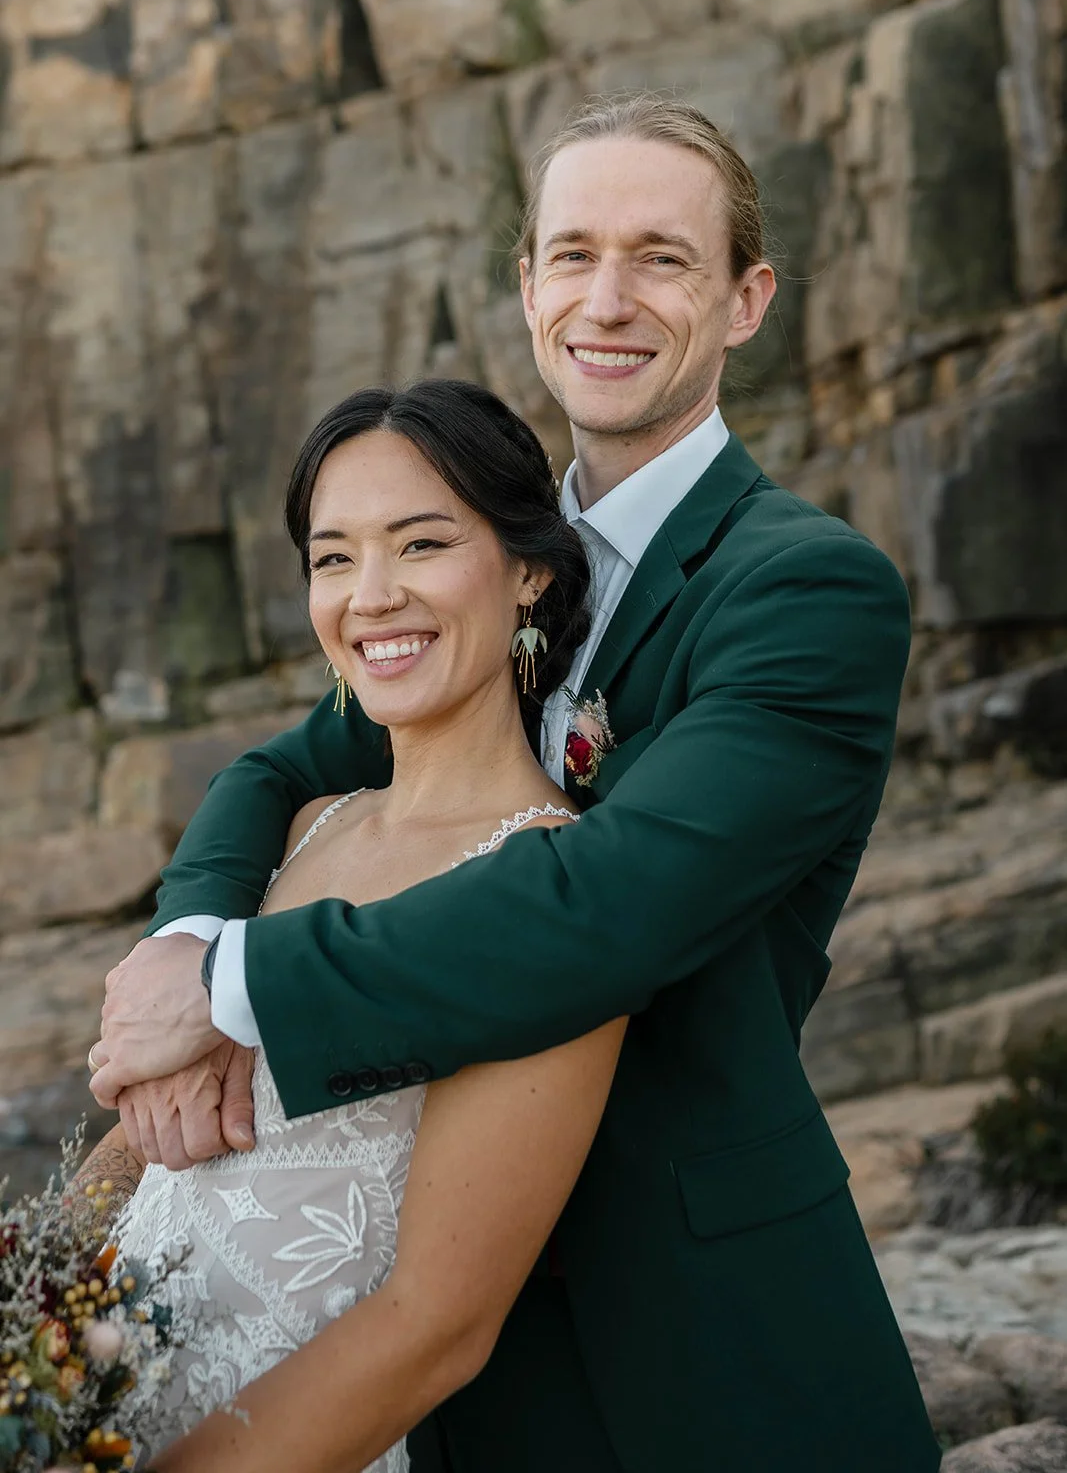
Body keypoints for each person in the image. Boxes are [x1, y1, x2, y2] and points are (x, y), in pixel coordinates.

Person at [90, 92, 942, 1472]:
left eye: (661, 259)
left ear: (744, 300)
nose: (605, 299)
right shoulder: (479, 573)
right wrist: (182, 941)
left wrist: (234, 988)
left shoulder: (802, 589)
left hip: (695, 1337)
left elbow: (611, 900)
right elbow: (278, 769)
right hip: (455, 1371)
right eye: (569, 253)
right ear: (527, 283)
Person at [75, 379, 629, 1470]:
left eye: (420, 544)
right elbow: (145, 1154)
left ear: (529, 568)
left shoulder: (553, 892)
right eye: (333, 558)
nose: (370, 596)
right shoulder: (306, 827)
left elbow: (435, 1326)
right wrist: (27, 1320)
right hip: (85, 1401)